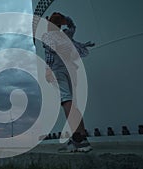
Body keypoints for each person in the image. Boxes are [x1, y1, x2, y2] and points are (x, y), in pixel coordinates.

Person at [42, 12, 94, 152]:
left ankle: (79, 140)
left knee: (66, 101)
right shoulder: (66, 34)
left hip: (59, 71)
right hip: (71, 69)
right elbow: (72, 26)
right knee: (72, 102)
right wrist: (66, 19)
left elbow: (49, 56)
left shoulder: (48, 37)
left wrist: (48, 72)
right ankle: (80, 135)